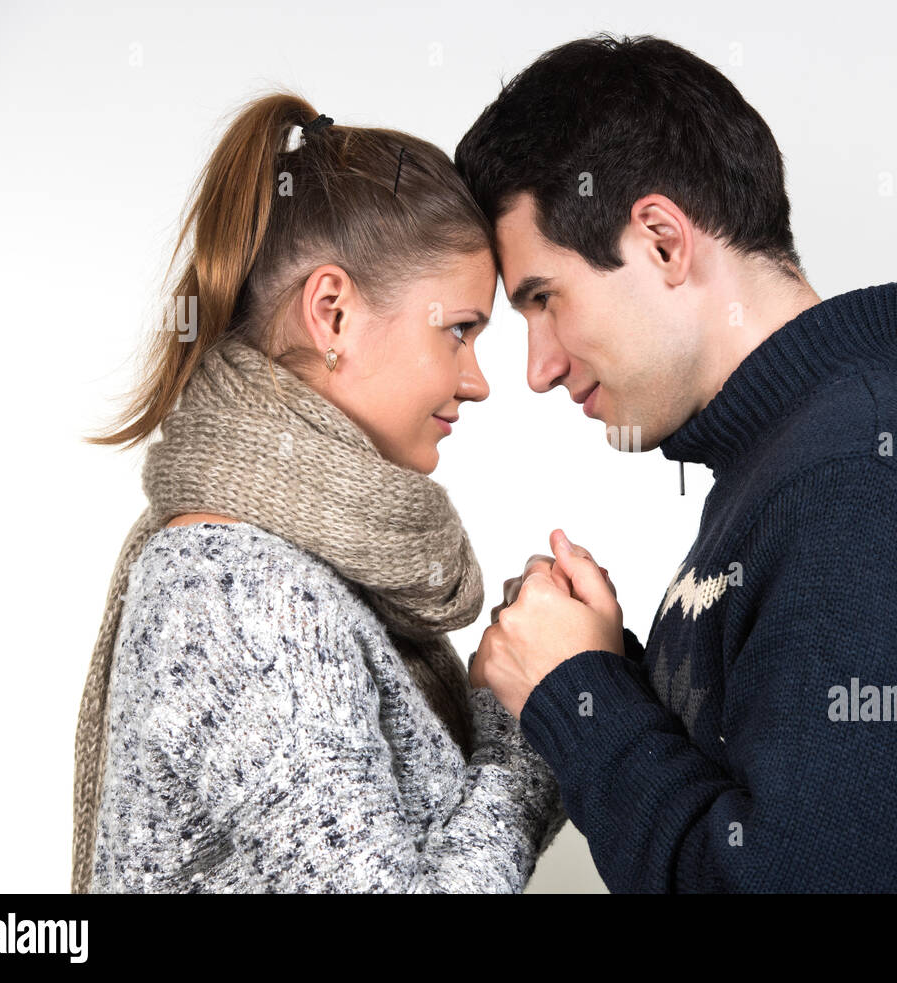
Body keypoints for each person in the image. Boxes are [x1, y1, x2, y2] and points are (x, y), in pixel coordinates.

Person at [457, 33, 897, 892]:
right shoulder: (798, 463)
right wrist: (615, 668)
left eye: (544, 300)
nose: (539, 366)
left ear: (665, 242)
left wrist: (578, 690)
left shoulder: (862, 489)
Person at [71, 92, 567, 893]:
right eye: (460, 330)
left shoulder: (278, 567)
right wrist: (528, 736)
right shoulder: (244, 593)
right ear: (332, 314)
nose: (477, 381)